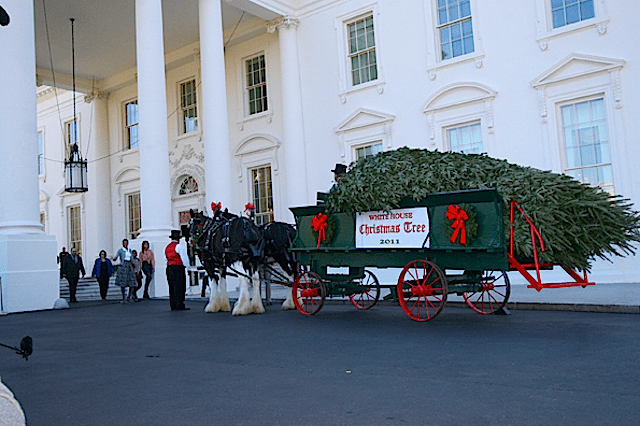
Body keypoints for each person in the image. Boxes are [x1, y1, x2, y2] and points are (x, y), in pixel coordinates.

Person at [165, 229, 190, 311]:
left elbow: (165, 260)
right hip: (178, 267)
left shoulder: (167, 247)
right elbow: (184, 258)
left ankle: (173, 304)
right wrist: (187, 268)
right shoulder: (179, 246)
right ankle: (179, 304)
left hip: (169, 268)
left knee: (172, 286)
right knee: (180, 286)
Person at [112, 238, 137, 303]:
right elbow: (116, 257)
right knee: (123, 283)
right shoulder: (120, 250)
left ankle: (129, 296)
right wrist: (113, 259)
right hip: (123, 266)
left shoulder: (129, 250)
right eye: (124, 243)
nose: (125, 244)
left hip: (129, 266)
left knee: (132, 282)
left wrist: (135, 267)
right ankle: (124, 298)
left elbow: (132, 259)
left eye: (126, 243)